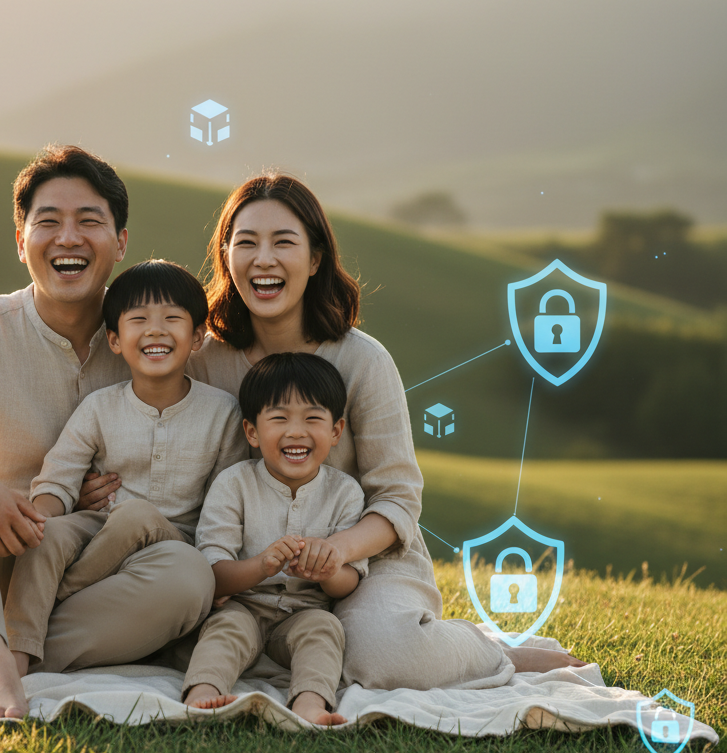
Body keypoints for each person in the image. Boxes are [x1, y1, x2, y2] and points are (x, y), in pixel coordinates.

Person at [179, 172, 587, 689]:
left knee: (382, 658)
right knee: (177, 637)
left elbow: (397, 499)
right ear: (225, 255)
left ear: (316, 258)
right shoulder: (205, 360)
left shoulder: (362, 360)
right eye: (246, 243)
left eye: (283, 242)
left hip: (364, 558)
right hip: (244, 565)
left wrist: (336, 553)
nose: (263, 259)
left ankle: (488, 651)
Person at [0, 146, 217, 721]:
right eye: (48, 222)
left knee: (188, 576)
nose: (68, 238)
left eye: (89, 222)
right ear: (20, 240)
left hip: (87, 581)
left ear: (121, 243)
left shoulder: (151, 340)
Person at [2, 259, 249, 665]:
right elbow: (58, 480)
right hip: (98, 529)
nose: (155, 329)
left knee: (137, 515)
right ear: (115, 340)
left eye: (172, 318)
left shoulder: (222, 412)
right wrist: (40, 522)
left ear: (198, 338)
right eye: (139, 320)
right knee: (48, 538)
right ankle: (16, 656)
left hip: (174, 542)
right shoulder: (99, 407)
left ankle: (64, 595)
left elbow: (227, 502)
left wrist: (219, 562)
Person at [183, 353, 367, 726]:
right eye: (279, 418)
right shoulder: (234, 484)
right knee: (226, 629)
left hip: (303, 614)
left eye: (313, 419)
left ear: (335, 431)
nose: (296, 432)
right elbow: (213, 574)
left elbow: (348, 583)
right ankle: (202, 692)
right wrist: (261, 566)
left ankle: (310, 704)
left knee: (325, 629)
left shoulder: (345, 493)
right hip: (243, 606)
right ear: (252, 431)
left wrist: (328, 567)